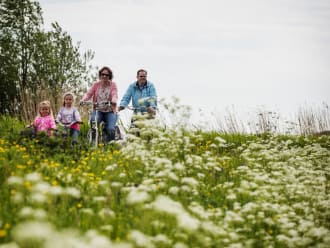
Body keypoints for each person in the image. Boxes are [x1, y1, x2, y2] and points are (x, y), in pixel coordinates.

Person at [80, 66, 118, 142]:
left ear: (109, 76)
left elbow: (114, 94)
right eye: (103, 74)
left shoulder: (113, 85)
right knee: (93, 122)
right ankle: (93, 142)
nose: (104, 76)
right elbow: (88, 94)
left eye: (107, 75)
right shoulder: (96, 85)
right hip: (98, 110)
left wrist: (113, 101)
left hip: (110, 111)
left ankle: (110, 145)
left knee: (110, 129)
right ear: (100, 75)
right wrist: (83, 100)